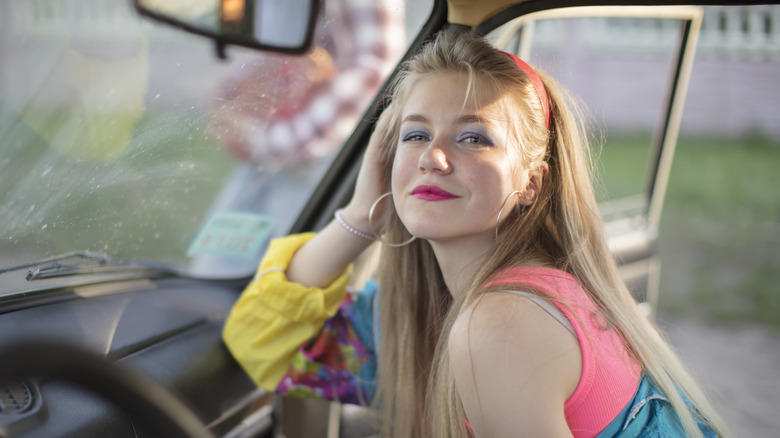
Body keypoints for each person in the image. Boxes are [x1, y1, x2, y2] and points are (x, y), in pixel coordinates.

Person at [223, 29, 727, 438]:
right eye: (415, 134)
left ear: (532, 183)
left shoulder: (504, 321)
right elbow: (260, 340)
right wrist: (364, 214)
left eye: (473, 137)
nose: (432, 158)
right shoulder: (430, 311)